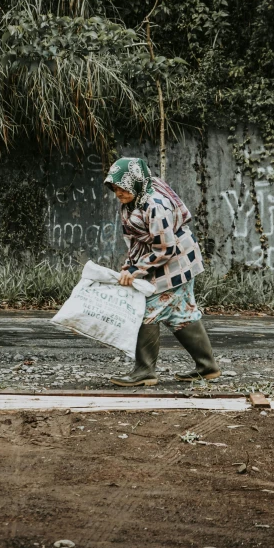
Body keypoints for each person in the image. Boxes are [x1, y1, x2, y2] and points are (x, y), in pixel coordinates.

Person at [104, 157, 221, 386]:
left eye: (122, 187)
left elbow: (166, 247)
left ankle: (144, 371)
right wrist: (130, 263)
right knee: (181, 313)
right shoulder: (132, 200)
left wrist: (137, 269)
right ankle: (207, 367)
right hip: (169, 258)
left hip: (176, 259)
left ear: (136, 182)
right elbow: (134, 239)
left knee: (146, 311)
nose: (118, 192)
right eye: (114, 187)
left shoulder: (155, 205)